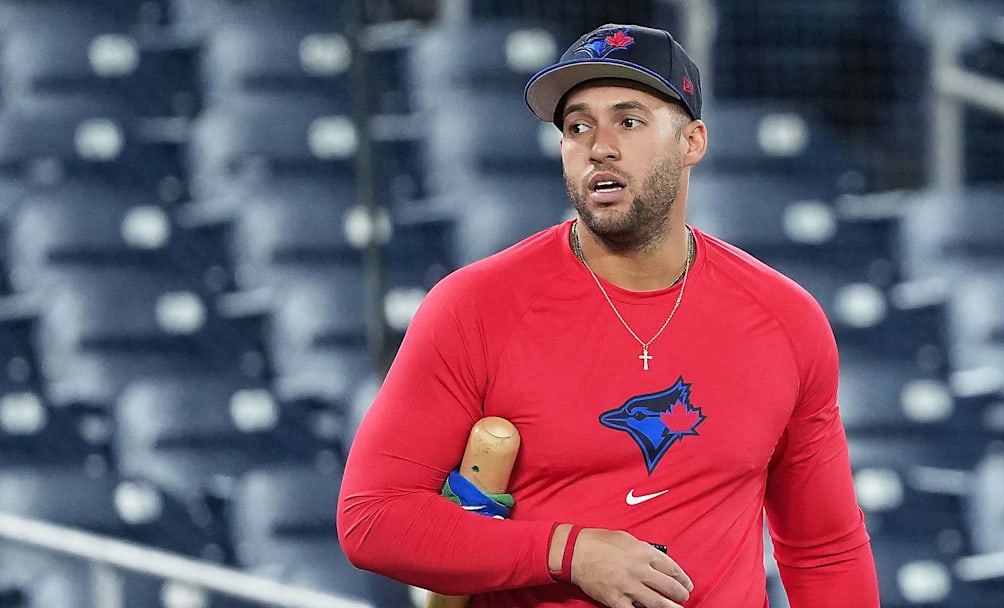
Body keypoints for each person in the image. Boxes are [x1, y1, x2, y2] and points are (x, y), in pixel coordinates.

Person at [338, 22, 880, 608]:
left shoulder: (784, 318)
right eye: (577, 126)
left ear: (692, 141)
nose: (600, 145)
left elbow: (825, 551)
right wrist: (566, 552)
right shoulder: (475, 307)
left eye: (629, 121)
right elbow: (373, 518)